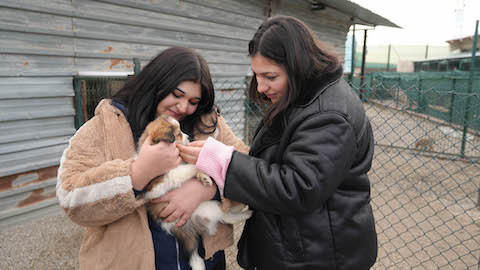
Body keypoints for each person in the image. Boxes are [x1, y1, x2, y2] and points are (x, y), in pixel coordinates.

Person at [178, 16, 378, 270]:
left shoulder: (328, 116)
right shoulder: (306, 97)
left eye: (270, 76)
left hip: (318, 256)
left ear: (297, 65)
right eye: (256, 75)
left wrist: (224, 163)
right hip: (303, 247)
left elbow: (298, 188)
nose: (260, 87)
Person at [56, 46, 249, 270]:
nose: (184, 107)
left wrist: (208, 189)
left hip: (204, 262)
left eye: (194, 101)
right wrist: (138, 174)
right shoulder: (105, 127)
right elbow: (70, 198)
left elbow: (250, 170)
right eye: (177, 95)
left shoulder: (206, 124)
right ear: (156, 83)